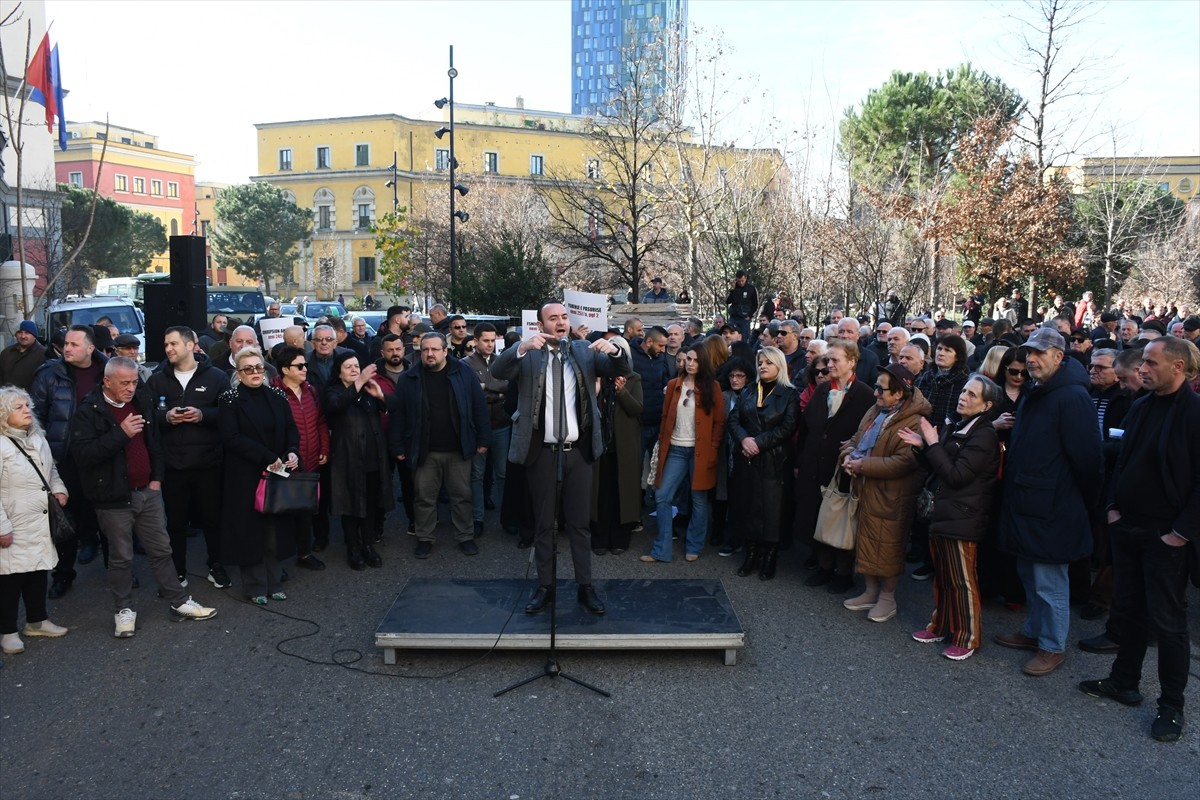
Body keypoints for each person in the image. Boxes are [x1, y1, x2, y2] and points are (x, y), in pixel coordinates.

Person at [1079, 337, 1199, 743]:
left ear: (1178, 367)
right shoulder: (1142, 405)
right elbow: (1124, 458)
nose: (1140, 368)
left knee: (1167, 622)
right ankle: (1123, 681)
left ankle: (1171, 706)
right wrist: (1113, 506)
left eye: (1150, 362)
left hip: (1165, 536)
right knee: (1128, 608)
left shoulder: (1194, 413)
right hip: (1126, 526)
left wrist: (1179, 533)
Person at [491, 303, 631, 615]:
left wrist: (616, 350)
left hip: (577, 454)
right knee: (544, 525)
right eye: (553, 318)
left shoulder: (583, 350)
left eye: (564, 317)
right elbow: (497, 371)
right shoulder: (530, 353)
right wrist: (521, 348)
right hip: (542, 453)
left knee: (580, 524)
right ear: (541, 324)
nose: (561, 323)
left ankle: (585, 587)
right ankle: (546, 587)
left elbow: (622, 371)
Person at [71, 357, 218, 635]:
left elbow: (154, 442)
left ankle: (178, 601)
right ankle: (123, 610)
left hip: (147, 491)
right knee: (121, 557)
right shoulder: (89, 411)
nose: (130, 388)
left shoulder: (141, 399)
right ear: (107, 381)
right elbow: (83, 455)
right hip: (113, 497)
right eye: (124, 383)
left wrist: (156, 479)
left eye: (134, 381)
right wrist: (121, 433)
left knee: (162, 550)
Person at [993, 328, 1103, 676]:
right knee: (1029, 572)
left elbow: (1088, 459)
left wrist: (1085, 503)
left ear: (1059, 356)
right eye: (1029, 353)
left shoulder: (1071, 396)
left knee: (1049, 580)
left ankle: (1052, 646)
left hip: (1054, 505)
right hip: (1028, 499)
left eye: (1040, 353)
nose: (1032, 359)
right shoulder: (1036, 390)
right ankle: (1033, 632)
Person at [899, 375, 1002, 660]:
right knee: (944, 576)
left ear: (986, 405)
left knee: (962, 581)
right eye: (964, 391)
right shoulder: (959, 425)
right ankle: (941, 625)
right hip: (945, 514)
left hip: (963, 518)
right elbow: (939, 464)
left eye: (972, 395)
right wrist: (924, 445)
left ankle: (968, 638)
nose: (963, 397)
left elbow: (956, 476)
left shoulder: (984, 436)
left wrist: (931, 443)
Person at [838, 363, 930, 621]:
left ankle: (887, 599)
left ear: (899, 393)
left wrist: (862, 464)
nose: (876, 392)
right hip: (867, 488)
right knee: (866, 540)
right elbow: (856, 439)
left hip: (893, 495)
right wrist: (848, 457)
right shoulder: (875, 410)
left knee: (889, 546)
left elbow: (904, 461)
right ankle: (870, 592)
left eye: (881, 388)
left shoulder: (914, 420)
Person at [390, 333, 490, 560]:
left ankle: (465, 536)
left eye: (435, 349)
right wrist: (397, 446)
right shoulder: (409, 378)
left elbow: (479, 407)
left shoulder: (464, 373)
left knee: (461, 496)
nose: (430, 354)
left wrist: (484, 439)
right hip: (425, 450)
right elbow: (399, 414)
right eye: (425, 350)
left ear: (445, 351)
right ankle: (425, 538)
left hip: (458, 449)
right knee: (424, 497)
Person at [147, 327, 231, 589]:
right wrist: (166, 417)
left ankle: (216, 565)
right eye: (165, 344)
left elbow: (229, 415)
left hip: (209, 463)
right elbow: (148, 419)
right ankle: (178, 572)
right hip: (173, 465)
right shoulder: (157, 380)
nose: (168, 349)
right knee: (175, 523)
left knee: (213, 520)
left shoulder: (217, 377)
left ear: (190, 345)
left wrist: (203, 415)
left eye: (173, 343)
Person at [218, 347, 300, 604]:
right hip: (245, 475)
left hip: (277, 471)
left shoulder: (276, 394)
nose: (255, 372)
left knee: (275, 528)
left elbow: (290, 428)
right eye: (248, 369)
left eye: (259, 367)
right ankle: (255, 587)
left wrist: (292, 451)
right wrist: (266, 456)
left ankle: (274, 581)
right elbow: (231, 438)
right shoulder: (229, 399)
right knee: (250, 530)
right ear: (239, 373)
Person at [29, 324, 107, 598]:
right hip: (64, 458)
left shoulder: (108, 371)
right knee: (65, 518)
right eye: (65, 344)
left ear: (90, 348)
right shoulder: (49, 374)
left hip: (102, 456)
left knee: (107, 515)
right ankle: (63, 575)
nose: (67, 348)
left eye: (74, 344)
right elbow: (34, 417)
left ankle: (117, 570)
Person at [797, 339, 875, 592]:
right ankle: (824, 566)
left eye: (834, 360)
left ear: (851, 362)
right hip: (814, 463)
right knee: (818, 514)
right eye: (828, 360)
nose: (829, 364)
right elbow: (808, 427)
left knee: (842, 517)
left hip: (843, 466)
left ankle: (843, 572)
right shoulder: (821, 391)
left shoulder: (864, 394)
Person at [0, 387, 69, 655]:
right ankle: (7, 632)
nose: (27, 410)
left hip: (38, 520)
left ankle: (37, 620)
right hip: (13, 523)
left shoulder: (37, 437)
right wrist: (2, 528)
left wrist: (59, 488)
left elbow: (50, 469)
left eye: (27, 405)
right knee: (9, 579)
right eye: (18, 407)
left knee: (38, 570)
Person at [642, 343, 725, 564]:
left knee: (698, 499)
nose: (691, 363)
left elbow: (719, 422)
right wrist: (662, 443)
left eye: (696, 360)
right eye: (688, 358)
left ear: (704, 363)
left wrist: (714, 448)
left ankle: (694, 545)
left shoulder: (712, 387)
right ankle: (661, 549)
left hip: (701, 451)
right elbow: (664, 418)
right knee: (662, 496)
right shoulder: (673, 385)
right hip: (676, 449)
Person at [727, 346, 799, 580]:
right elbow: (734, 419)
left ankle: (769, 556)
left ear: (779, 365)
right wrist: (744, 439)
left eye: (768, 362)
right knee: (748, 507)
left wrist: (758, 442)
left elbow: (788, 427)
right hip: (747, 459)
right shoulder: (749, 390)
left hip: (774, 461)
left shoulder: (789, 394)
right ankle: (751, 553)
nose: (763, 366)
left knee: (772, 510)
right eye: (760, 362)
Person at [323, 351, 394, 570]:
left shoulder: (366, 390)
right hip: (348, 458)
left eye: (357, 366)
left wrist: (381, 396)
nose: (354, 370)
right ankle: (353, 548)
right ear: (339, 372)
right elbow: (337, 406)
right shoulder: (332, 391)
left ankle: (368, 545)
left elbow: (393, 406)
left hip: (373, 456)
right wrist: (360, 380)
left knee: (371, 504)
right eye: (349, 367)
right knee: (351, 505)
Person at [270, 345, 329, 571]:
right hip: (284, 465)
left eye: (306, 364)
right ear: (285, 369)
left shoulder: (311, 390)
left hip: (311, 461)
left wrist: (325, 447)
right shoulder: (273, 394)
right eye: (300, 366)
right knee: (282, 515)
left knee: (306, 512)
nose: (306, 369)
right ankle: (278, 563)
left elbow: (321, 421)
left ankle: (304, 554)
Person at [589, 337, 643, 555]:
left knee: (622, 493)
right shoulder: (596, 378)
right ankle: (600, 537)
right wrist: (597, 391)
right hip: (600, 446)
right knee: (600, 494)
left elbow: (637, 409)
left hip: (624, 447)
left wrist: (621, 392)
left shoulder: (633, 378)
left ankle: (620, 538)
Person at [464, 323, 510, 537]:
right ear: (476, 341)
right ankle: (478, 518)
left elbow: (508, 386)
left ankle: (507, 518)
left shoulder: (502, 361)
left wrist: (486, 387)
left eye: (493, 340)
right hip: (478, 427)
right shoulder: (466, 364)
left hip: (501, 424)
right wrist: (495, 390)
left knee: (503, 473)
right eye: (486, 340)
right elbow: (474, 394)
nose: (490, 344)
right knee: (477, 475)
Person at [0, 320, 49, 390]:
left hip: (31, 399)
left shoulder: (44, 354)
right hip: (7, 398)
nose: (23, 336)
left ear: (34, 336)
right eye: (20, 332)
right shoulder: (6, 352)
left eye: (27, 333)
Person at [726, 271, 758, 340]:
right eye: (739, 281)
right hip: (734, 317)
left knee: (744, 339)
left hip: (744, 318)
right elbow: (728, 301)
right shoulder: (734, 288)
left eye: (742, 281)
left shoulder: (751, 288)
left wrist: (749, 315)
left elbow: (755, 304)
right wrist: (732, 290)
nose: (741, 283)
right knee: (731, 337)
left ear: (746, 279)